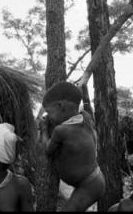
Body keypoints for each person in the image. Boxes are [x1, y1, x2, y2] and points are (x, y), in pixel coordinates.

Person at [40, 81, 105, 211]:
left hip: (89, 184)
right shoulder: (84, 118)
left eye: (49, 112)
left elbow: (48, 149)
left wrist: (44, 130)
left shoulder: (61, 131)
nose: (48, 117)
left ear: (60, 106)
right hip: (93, 180)